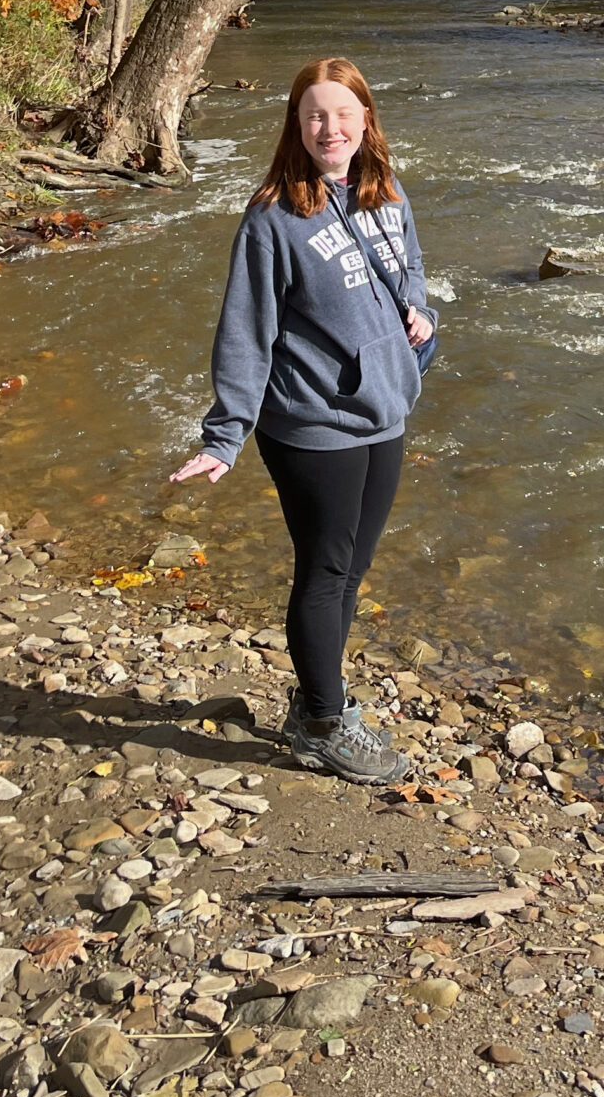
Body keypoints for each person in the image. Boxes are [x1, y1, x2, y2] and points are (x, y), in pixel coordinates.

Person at [170, 55, 435, 784]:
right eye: (316, 114)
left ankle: (317, 699)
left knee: (353, 568)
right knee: (323, 572)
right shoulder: (274, 219)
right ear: (296, 123)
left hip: (384, 407)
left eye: (344, 114)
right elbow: (246, 331)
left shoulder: (386, 192)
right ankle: (322, 721)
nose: (331, 128)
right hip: (313, 421)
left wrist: (419, 311)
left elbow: (410, 266)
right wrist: (226, 435)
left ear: (366, 121)